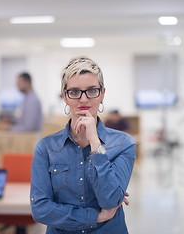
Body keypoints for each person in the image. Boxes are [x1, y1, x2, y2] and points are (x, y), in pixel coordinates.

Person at [30, 56, 136, 233]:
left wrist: (95, 143)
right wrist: (94, 217)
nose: (84, 99)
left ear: (102, 94)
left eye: (92, 91)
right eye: (74, 92)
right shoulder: (46, 148)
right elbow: (40, 210)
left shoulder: (123, 144)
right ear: (65, 96)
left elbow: (110, 200)